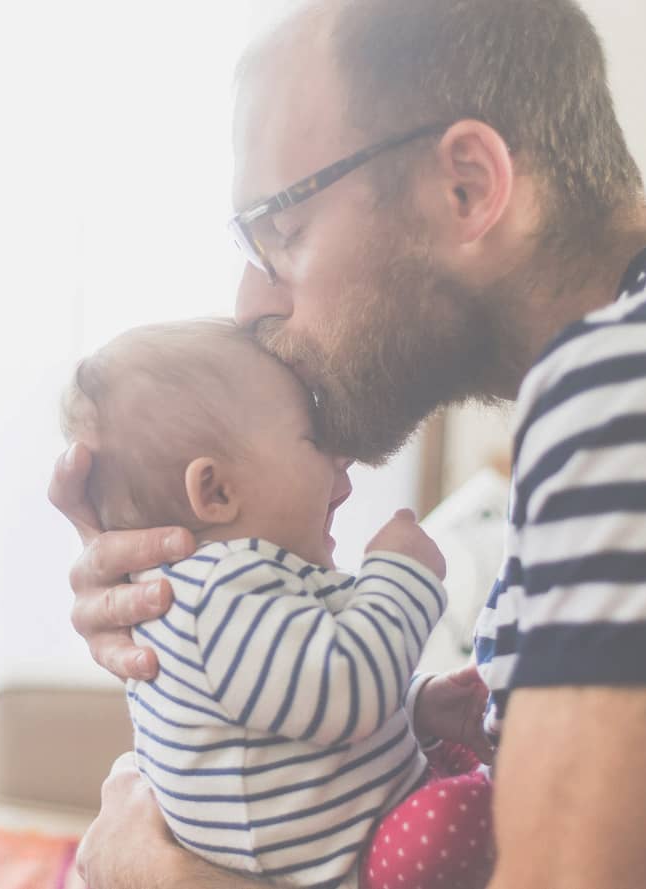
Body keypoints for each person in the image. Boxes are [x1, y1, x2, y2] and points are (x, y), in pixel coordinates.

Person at [47, 0, 646, 886]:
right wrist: (189, 591)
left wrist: (166, 875)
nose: (253, 305)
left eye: (283, 234)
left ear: (468, 186)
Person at [59, 318, 495, 889]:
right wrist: (404, 576)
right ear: (215, 491)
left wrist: (419, 705)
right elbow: (344, 692)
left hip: (355, 831)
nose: (341, 468)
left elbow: (290, 723)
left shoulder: (230, 590)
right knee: (462, 816)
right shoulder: (223, 591)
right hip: (352, 865)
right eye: (312, 440)